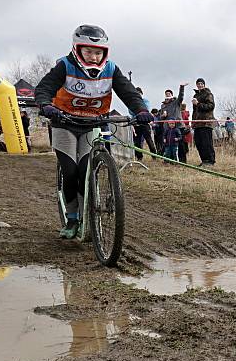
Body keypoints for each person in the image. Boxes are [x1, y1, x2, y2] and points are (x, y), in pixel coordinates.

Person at [35, 24, 152, 240]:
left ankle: (87, 211)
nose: (93, 57)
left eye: (98, 52)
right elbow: (44, 89)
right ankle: (72, 218)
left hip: (91, 124)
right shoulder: (65, 65)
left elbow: (129, 93)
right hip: (64, 122)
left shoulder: (111, 69)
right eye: (88, 51)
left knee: (84, 170)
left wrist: (141, 110)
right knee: (70, 171)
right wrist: (46, 105)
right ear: (77, 49)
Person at [191, 78, 216, 166]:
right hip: (197, 123)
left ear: (204, 85)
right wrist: (193, 122)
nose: (200, 85)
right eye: (198, 84)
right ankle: (204, 160)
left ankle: (210, 161)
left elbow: (211, 106)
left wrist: (198, 104)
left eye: (201, 83)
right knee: (198, 143)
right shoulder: (196, 95)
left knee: (207, 143)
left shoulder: (208, 94)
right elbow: (195, 111)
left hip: (206, 122)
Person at [129, 87, 157, 160]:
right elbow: (130, 111)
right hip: (136, 123)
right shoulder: (132, 101)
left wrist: (137, 109)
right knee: (137, 142)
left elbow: (146, 109)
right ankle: (139, 157)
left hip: (145, 123)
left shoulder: (145, 101)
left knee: (149, 140)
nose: (138, 94)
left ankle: (154, 156)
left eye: (139, 93)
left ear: (141, 94)